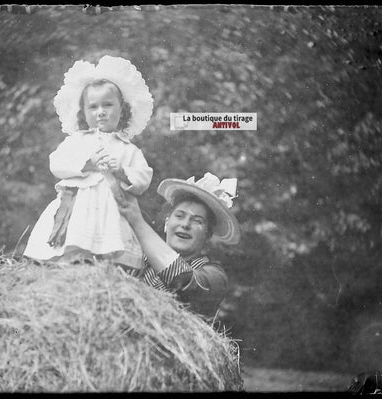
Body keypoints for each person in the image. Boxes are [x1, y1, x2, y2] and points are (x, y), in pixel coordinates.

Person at [23, 55, 154, 270]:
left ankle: (103, 270)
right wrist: (87, 163)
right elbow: (56, 163)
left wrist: (121, 171)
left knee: (107, 250)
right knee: (74, 245)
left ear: (122, 109)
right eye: (93, 107)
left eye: (108, 105)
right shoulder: (76, 140)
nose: (101, 112)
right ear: (83, 112)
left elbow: (143, 177)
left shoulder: (127, 148)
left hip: (109, 209)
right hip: (77, 205)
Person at [114, 172, 241, 321]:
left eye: (197, 221)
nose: (185, 225)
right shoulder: (137, 257)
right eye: (179, 216)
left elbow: (183, 282)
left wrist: (138, 223)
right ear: (167, 223)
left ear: (207, 235)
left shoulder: (215, 276)